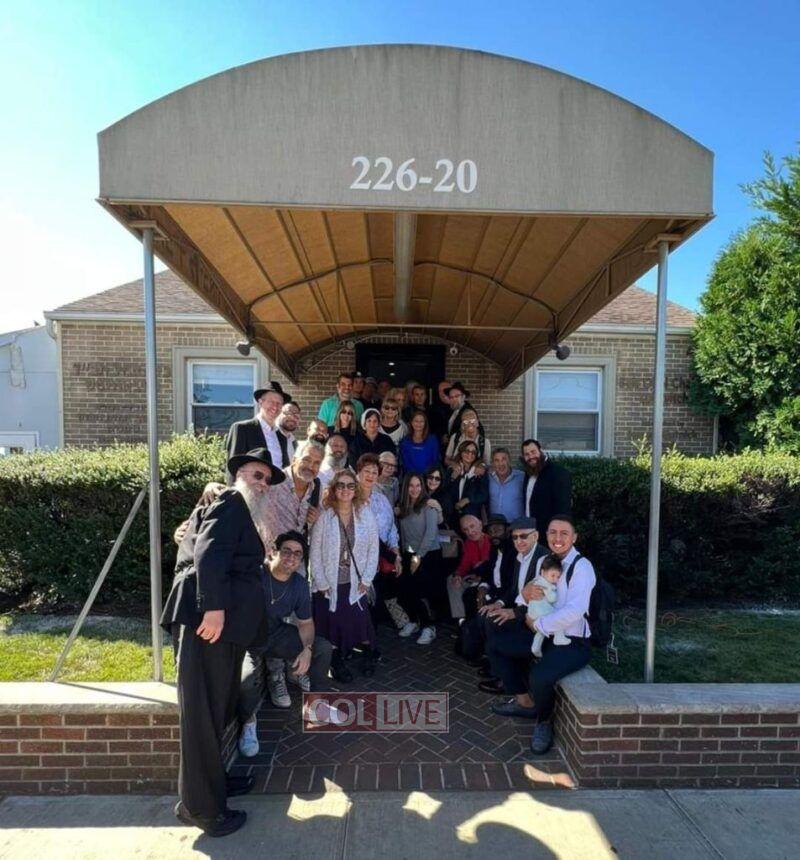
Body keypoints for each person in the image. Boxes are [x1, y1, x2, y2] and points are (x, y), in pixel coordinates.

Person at [160, 447, 285, 837]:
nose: (262, 484)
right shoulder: (231, 500)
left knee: (216, 710)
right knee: (202, 714)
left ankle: (214, 785)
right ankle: (202, 810)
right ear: (238, 475)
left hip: (226, 627)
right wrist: (212, 609)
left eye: (267, 480)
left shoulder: (240, 510)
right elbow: (209, 552)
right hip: (208, 624)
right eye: (256, 475)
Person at [491, 515, 595, 755]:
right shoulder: (544, 561)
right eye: (553, 532)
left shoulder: (582, 567)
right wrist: (524, 597)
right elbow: (528, 594)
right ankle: (525, 702)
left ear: (574, 537)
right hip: (544, 633)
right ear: (546, 535)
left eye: (564, 533)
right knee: (497, 645)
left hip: (572, 641)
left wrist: (539, 625)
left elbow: (575, 610)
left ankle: (543, 721)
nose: (558, 538)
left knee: (540, 676)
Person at [237, 531, 338, 759]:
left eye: (297, 554)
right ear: (274, 552)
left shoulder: (299, 585)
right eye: (286, 551)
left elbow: (306, 623)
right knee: (245, 680)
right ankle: (249, 724)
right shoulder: (255, 574)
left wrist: (307, 649)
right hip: (245, 640)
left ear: (301, 560)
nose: (291, 557)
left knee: (322, 648)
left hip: (276, 635)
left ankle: (315, 706)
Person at [310, 469, 380, 681]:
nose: (345, 490)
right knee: (330, 622)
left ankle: (368, 655)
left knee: (359, 620)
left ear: (356, 489)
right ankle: (335, 661)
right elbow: (315, 551)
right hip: (329, 581)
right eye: (340, 485)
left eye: (350, 485)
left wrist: (367, 578)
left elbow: (373, 548)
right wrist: (321, 581)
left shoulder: (365, 514)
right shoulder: (325, 516)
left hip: (355, 581)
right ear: (333, 489)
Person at [477, 517, 549, 697]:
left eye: (523, 536)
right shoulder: (520, 556)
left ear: (535, 536)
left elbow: (542, 600)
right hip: (523, 611)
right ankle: (500, 671)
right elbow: (513, 589)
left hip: (536, 619)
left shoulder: (544, 560)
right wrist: (498, 603)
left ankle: (506, 680)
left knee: (494, 625)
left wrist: (514, 612)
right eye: (515, 537)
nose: (519, 541)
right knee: (487, 616)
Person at [355, 454, 412, 636]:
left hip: (383, 556)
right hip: (359, 558)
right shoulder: (350, 498)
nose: (370, 475)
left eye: (374, 472)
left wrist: (396, 553)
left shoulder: (381, 499)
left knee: (386, 591)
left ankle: (398, 624)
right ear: (358, 472)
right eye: (367, 471)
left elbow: (392, 528)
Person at [397, 472, 442, 645]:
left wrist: (418, 557)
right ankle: (415, 621)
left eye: (418, 485)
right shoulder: (403, 507)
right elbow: (406, 535)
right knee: (408, 590)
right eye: (411, 485)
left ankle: (429, 627)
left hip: (428, 554)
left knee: (423, 592)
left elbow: (430, 534)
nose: (414, 489)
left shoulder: (428, 506)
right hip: (410, 553)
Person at [225, 381, 290, 481]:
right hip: (250, 488)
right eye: (271, 402)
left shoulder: (281, 437)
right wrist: (233, 490)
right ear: (260, 402)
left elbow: (284, 468)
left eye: (279, 403)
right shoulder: (242, 429)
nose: (275, 407)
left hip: (277, 489)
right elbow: (233, 468)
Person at [522, 439, 573, 547]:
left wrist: (557, 535)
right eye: (527, 454)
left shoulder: (558, 473)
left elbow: (563, 509)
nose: (530, 456)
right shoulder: (528, 474)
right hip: (531, 534)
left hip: (549, 535)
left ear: (540, 451)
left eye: (533, 452)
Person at [446, 514, 491, 620]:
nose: (470, 532)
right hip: (474, 576)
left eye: (472, 526)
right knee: (452, 580)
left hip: (488, 578)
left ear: (480, 524)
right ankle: (460, 619)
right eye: (465, 529)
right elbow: (464, 565)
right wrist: (458, 575)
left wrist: (481, 577)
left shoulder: (491, 540)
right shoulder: (468, 543)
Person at [526, 554, 569, 657]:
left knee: (542, 629)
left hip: (534, 611)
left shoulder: (537, 581)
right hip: (540, 610)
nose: (555, 579)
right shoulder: (546, 584)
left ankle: (536, 647)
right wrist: (554, 591)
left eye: (558, 577)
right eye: (552, 575)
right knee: (556, 617)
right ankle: (559, 637)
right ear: (542, 572)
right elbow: (551, 599)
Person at [446, 440, 489, 527]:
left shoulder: (480, 471)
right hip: (452, 516)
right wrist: (452, 479)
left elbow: (484, 495)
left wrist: (467, 500)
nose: (470, 454)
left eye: (473, 452)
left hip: (472, 517)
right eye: (467, 451)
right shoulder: (452, 469)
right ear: (461, 452)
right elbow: (445, 491)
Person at [488, 448, 525, 522]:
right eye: (496, 460)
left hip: (517, 525)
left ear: (509, 461)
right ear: (493, 463)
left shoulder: (522, 477)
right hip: (494, 525)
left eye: (504, 459)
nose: (500, 464)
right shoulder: (488, 478)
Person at [399, 410, 440, 475]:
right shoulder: (405, 441)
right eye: (416, 421)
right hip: (411, 477)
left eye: (421, 421)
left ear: (425, 423)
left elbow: (435, 460)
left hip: (429, 476)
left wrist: (427, 475)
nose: (419, 424)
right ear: (411, 423)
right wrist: (415, 476)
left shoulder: (432, 439)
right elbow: (406, 463)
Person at [274, 401, 301, 468]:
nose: (292, 417)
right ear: (278, 414)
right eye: (288, 413)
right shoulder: (271, 435)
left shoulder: (293, 441)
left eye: (296, 415)